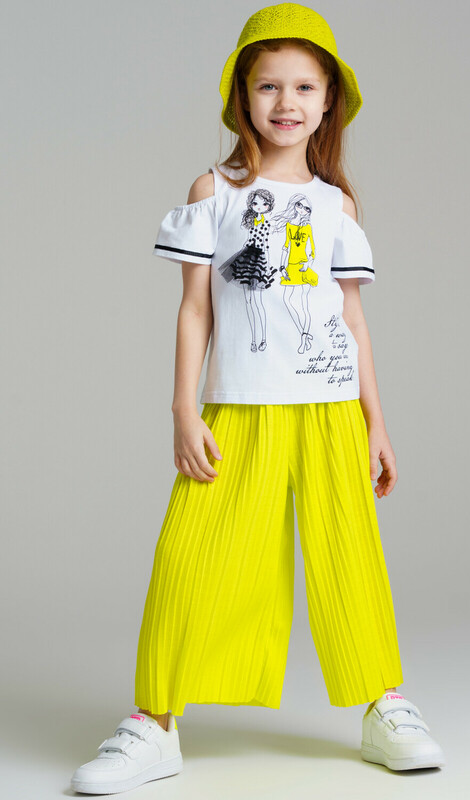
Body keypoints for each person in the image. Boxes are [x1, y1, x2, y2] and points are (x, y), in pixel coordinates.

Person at [70, 3, 445, 794]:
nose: (286, 102)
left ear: (329, 101)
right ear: (242, 95)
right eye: (268, 85)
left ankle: (384, 705)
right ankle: (154, 723)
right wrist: (183, 409)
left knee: (351, 556)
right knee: (188, 557)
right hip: (238, 406)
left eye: (304, 86)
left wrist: (376, 423)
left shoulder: (337, 206)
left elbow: (352, 320)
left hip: (330, 409)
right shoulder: (215, 191)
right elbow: (195, 309)